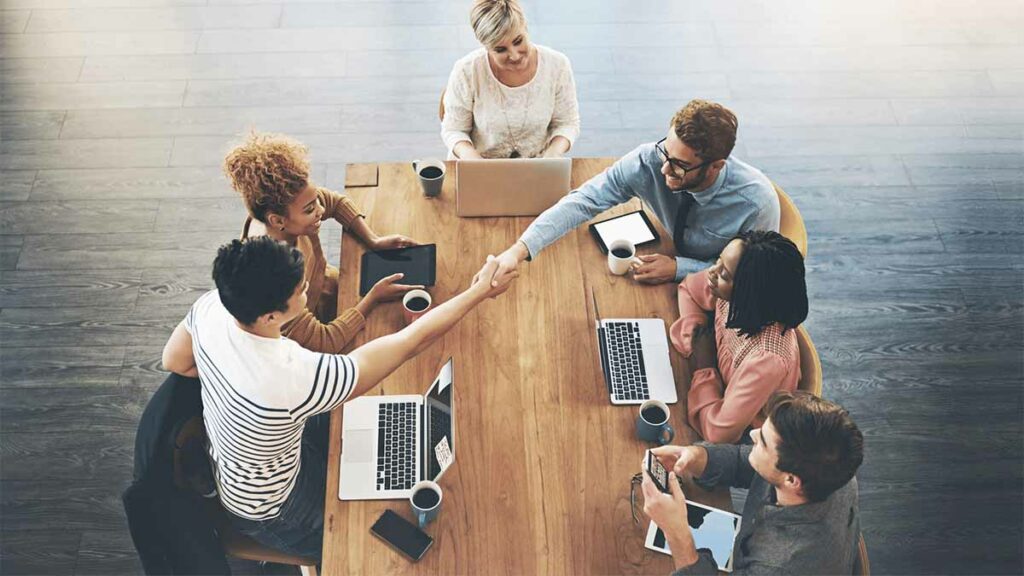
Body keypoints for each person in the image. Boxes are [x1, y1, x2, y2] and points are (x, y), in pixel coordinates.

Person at [161, 237, 515, 560]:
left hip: (243, 465)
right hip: (273, 507)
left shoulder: (211, 307)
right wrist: (479, 292)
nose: (307, 292)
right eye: (301, 290)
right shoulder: (291, 376)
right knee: (361, 550)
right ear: (270, 317)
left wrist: (227, 380)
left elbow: (172, 360)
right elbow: (411, 342)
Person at [489, 99, 779, 286]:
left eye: (679, 166)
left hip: (713, 293)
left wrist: (679, 268)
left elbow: (752, 277)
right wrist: (519, 250)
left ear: (715, 166)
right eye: (666, 151)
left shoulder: (755, 204)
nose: (664, 170)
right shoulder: (650, 160)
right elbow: (584, 200)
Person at [225, 131, 420, 354]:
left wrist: (373, 240)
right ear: (277, 220)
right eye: (310, 210)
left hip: (330, 289)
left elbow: (334, 203)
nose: (320, 210)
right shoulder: (273, 282)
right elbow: (325, 342)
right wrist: (373, 297)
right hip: (312, 336)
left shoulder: (293, 208)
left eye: (315, 200)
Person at [641, 391, 865, 575]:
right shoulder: (832, 468)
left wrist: (677, 534)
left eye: (764, 443)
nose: (753, 435)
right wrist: (696, 456)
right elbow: (748, 463)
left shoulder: (777, 566)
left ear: (790, 480)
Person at [671, 230, 808, 443]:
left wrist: (703, 367)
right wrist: (695, 336)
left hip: (747, 438)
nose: (711, 272)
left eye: (724, 274)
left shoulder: (766, 358)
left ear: (751, 291)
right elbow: (689, 288)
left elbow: (718, 434)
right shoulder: (734, 295)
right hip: (716, 393)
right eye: (718, 261)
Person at [441, 0, 580, 159]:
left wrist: (553, 153)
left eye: (518, 41)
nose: (514, 56)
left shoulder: (558, 65)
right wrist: (475, 162)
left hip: (538, 167)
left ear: (525, 27)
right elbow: (454, 130)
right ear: (486, 46)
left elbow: (567, 123)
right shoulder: (466, 71)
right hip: (481, 166)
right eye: (500, 50)